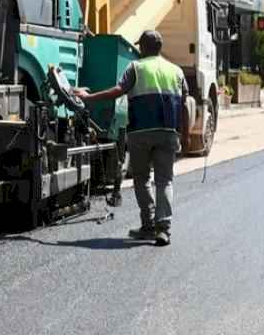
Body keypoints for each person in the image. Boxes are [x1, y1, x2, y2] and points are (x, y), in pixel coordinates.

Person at [74, 30, 187, 247]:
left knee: (142, 179)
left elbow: (118, 90)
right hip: (168, 132)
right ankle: (163, 229)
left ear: (143, 48)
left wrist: (89, 98)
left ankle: (148, 225)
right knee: (165, 180)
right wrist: (185, 133)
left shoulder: (136, 67)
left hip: (140, 133)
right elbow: (184, 104)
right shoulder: (177, 71)